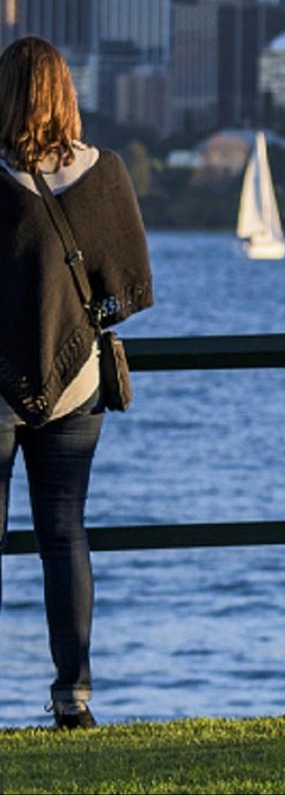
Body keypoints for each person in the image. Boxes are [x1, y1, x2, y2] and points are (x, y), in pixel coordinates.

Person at [0, 37, 153, 729]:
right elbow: (123, 290)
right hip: (77, 387)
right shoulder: (106, 172)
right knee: (65, 536)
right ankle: (74, 698)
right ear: (66, 93)